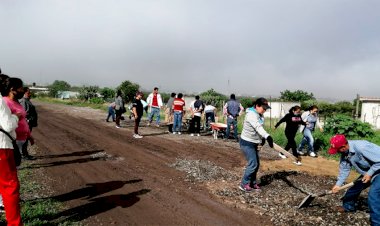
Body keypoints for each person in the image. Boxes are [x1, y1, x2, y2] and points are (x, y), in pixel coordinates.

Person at [328, 134, 380, 225]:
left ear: (343, 146)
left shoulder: (362, 147)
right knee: (354, 188)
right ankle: (348, 206)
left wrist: (370, 173)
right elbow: (344, 169)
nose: (337, 152)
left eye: (337, 150)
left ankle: (377, 223)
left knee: (373, 195)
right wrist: (338, 185)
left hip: (377, 170)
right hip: (369, 171)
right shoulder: (345, 153)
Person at [0, 74, 23, 225]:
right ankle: (15, 223)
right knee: (10, 187)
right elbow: (8, 125)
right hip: (2, 147)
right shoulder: (1, 101)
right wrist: (15, 116)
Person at [239, 97, 273, 192]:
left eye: (266, 109)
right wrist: (267, 136)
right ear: (257, 106)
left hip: (254, 142)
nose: (265, 110)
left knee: (256, 164)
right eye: (263, 108)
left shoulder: (260, 115)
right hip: (247, 142)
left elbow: (259, 128)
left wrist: (262, 139)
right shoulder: (251, 115)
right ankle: (244, 184)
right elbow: (257, 127)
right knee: (253, 164)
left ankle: (252, 183)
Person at [19, 87, 38, 160]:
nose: (30, 94)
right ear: (24, 93)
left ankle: (24, 154)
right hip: (26, 124)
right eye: (28, 92)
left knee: (25, 139)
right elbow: (23, 114)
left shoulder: (27, 100)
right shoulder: (24, 101)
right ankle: (23, 155)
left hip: (28, 123)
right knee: (24, 140)